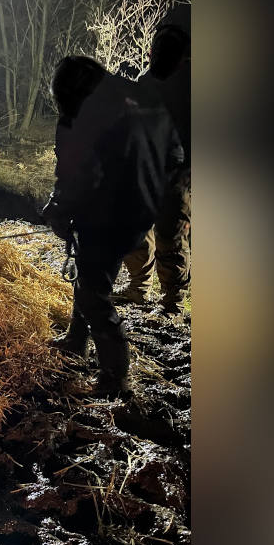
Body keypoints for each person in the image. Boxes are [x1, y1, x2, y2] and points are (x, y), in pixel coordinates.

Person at [43, 55, 184, 396]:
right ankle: (77, 339)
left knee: (94, 293)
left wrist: (59, 208)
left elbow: (79, 173)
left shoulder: (84, 113)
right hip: (143, 208)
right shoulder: (145, 97)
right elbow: (176, 156)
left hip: (106, 214)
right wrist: (150, 190)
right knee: (88, 269)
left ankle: (114, 377)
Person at [119, 25, 192, 312]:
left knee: (169, 235)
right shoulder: (144, 82)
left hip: (178, 174)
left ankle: (172, 302)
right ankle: (139, 287)